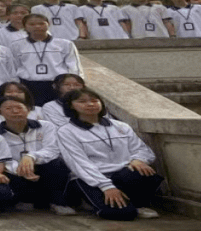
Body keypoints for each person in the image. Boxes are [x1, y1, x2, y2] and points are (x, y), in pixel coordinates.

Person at [54, 88, 163, 220]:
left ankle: (139, 204)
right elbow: (79, 163)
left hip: (122, 175)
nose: (90, 104)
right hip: (91, 179)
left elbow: (142, 150)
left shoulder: (121, 126)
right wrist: (106, 186)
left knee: (143, 171)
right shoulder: (66, 131)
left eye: (94, 100)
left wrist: (138, 159)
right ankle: (87, 200)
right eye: (82, 101)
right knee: (122, 214)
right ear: (71, 105)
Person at [0, 98, 76, 215]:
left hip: (43, 167)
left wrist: (31, 156)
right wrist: (20, 169)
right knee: (2, 170)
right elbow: (1, 158)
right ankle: (26, 200)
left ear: (28, 110)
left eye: (19, 107)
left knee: (58, 163)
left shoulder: (45, 126)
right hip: (16, 172)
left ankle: (57, 202)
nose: (14, 111)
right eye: (8, 108)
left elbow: (53, 149)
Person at [9, 14, 81, 105]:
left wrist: (74, 85)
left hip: (57, 84)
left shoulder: (65, 44)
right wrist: (16, 86)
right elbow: (14, 67)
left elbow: (74, 66)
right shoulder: (16, 45)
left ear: (48, 24)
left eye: (41, 23)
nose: (37, 26)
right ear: (24, 26)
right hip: (29, 85)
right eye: (32, 24)